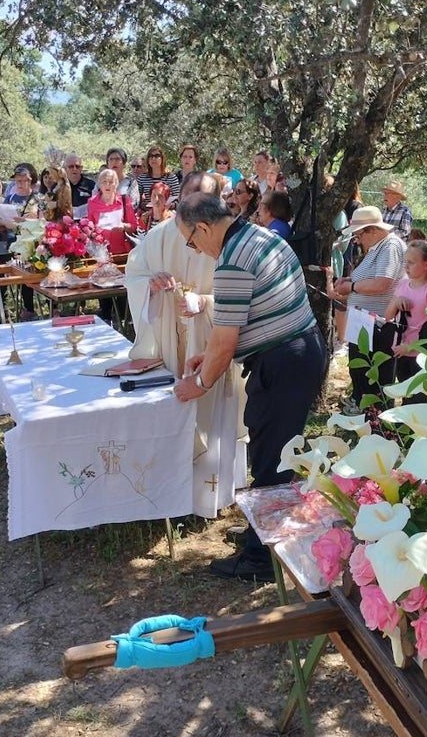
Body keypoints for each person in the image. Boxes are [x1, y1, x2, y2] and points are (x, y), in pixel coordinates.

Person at [171, 192, 326, 582]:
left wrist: (201, 382)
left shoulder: (232, 262)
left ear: (204, 227)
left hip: (284, 361)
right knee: (273, 450)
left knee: (271, 458)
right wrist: (206, 355)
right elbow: (246, 319)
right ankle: (265, 531)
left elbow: (226, 340)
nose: (196, 249)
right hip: (299, 353)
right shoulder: (262, 237)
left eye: (191, 241)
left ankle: (261, 561)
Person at [125, 171, 247, 520]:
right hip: (171, 341)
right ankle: (170, 494)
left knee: (214, 415)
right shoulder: (160, 235)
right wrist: (150, 284)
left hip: (212, 342)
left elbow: (239, 298)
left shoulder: (227, 240)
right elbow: (133, 277)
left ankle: (213, 495)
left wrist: (204, 302)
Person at [331, 206, 406, 411]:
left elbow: (383, 282)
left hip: (379, 323)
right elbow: (371, 278)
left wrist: (352, 287)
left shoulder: (389, 246)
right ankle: (363, 406)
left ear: (372, 230)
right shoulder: (378, 247)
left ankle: (375, 415)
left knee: (376, 373)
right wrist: (350, 280)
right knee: (361, 366)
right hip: (364, 321)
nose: (357, 240)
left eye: (358, 235)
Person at [385, 238, 427, 389]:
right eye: (405, 262)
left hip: (421, 354)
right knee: (406, 391)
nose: (406, 266)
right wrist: (396, 301)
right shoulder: (403, 285)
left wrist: (411, 347)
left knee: (419, 394)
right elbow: (388, 316)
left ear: (426, 265)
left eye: (411, 262)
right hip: (401, 350)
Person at [86, 168, 139, 256]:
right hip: (100, 252)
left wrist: (124, 226)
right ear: (99, 184)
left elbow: (134, 226)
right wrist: (94, 233)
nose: (108, 185)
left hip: (121, 251)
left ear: (116, 184)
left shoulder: (124, 200)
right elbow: (89, 227)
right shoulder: (92, 202)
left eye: (111, 182)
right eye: (104, 182)